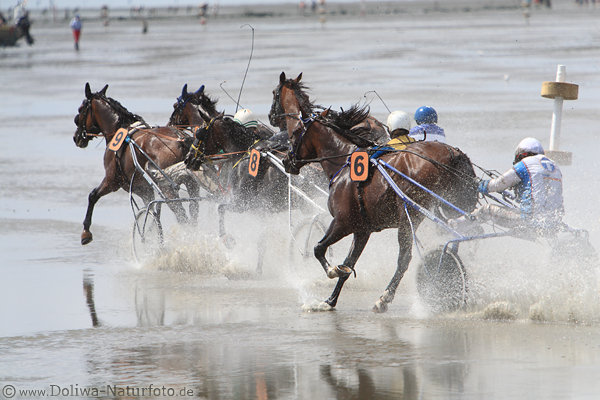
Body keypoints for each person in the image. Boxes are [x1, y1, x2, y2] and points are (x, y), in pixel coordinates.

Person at [451, 137, 564, 234]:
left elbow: (497, 185)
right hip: (554, 222)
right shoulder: (554, 167)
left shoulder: (525, 164)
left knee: (487, 209)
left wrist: (479, 185)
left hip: (529, 220)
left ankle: (455, 227)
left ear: (522, 155)